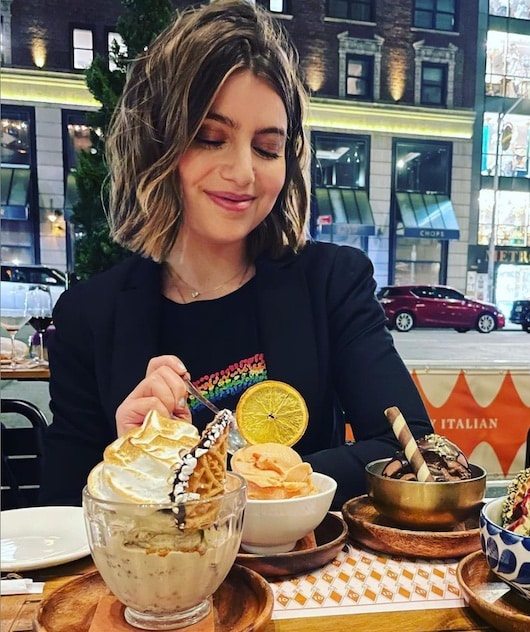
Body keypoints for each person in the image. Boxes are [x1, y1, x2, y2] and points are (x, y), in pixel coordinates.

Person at [39, 0, 432, 510]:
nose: (244, 172)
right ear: (157, 145)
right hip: (160, 586)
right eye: (210, 138)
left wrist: (245, 481)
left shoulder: (331, 283)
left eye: (267, 148)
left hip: (302, 581)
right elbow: (63, 510)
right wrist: (130, 459)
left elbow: (411, 451)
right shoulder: (90, 315)